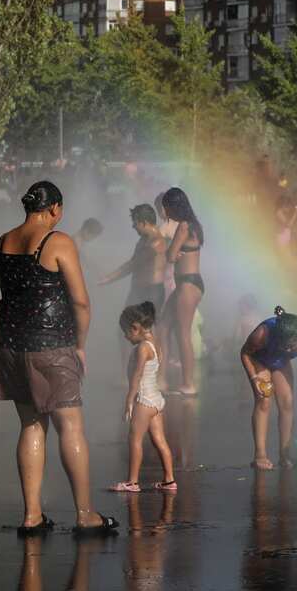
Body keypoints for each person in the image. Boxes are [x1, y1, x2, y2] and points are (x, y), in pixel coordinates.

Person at [0, 180, 116, 535]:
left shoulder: (4, 241)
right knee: (70, 427)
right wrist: (80, 345)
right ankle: (85, 514)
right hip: (51, 346)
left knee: (31, 425)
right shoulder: (57, 240)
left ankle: (32, 516)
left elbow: (13, 293)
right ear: (55, 209)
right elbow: (80, 301)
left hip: (12, 345)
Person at [109, 302, 176, 492]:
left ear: (136, 327)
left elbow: (137, 377)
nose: (125, 336)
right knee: (159, 440)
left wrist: (129, 401)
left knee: (134, 439)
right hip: (156, 399)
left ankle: (132, 482)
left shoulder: (142, 348)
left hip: (144, 399)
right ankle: (169, 481)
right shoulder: (155, 343)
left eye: (126, 332)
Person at [240, 306, 297, 470]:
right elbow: (244, 353)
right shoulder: (262, 333)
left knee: (287, 403)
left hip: (279, 362)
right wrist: (254, 379)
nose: (289, 350)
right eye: (285, 346)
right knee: (264, 400)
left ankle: (284, 454)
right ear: (277, 337)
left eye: (291, 347)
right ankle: (260, 455)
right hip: (259, 359)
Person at [159, 188, 205, 396]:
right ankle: (162, 379)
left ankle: (188, 384)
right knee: (162, 327)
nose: (165, 211)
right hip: (188, 284)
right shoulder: (194, 225)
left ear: (173, 206)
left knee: (183, 334)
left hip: (187, 284)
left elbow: (170, 255)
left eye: (166, 207)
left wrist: (173, 253)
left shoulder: (184, 226)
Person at [98, 204, 168, 311]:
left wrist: (108, 278)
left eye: (135, 223)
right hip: (138, 291)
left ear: (144, 223)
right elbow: (132, 262)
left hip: (152, 292)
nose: (133, 226)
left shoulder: (157, 242)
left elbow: (133, 265)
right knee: (125, 325)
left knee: (145, 326)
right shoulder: (143, 240)